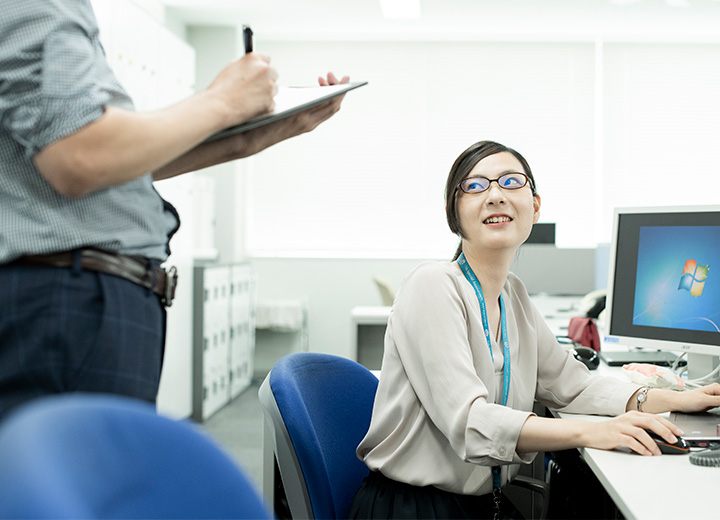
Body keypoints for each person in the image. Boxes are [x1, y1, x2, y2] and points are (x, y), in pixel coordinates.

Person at [0, 0, 349, 419]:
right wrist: (223, 100)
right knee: (85, 477)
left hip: (85, 296)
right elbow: (80, 155)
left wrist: (262, 133)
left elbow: (120, 160)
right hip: (68, 297)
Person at [348, 140, 720, 519]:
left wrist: (673, 399)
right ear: (453, 214)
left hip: (480, 505)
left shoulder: (513, 295)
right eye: (475, 186)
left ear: (535, 206)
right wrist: (592, 433)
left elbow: (572, 385)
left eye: (511, 182)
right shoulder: (432, 284)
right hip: (412, 508)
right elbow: (471, 424)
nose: (494, 195)